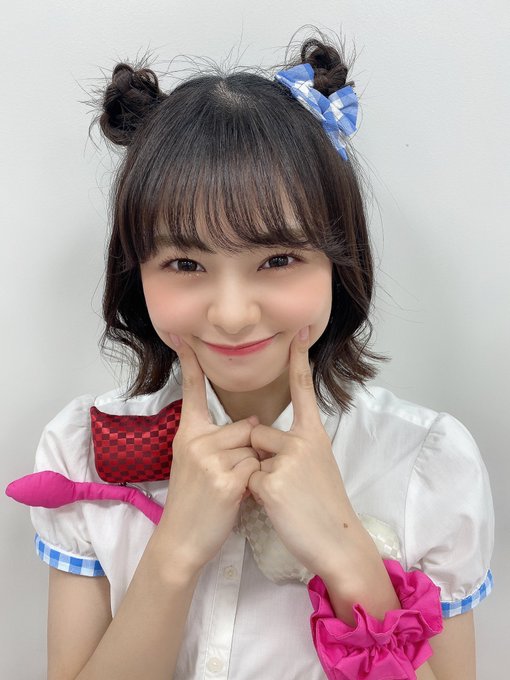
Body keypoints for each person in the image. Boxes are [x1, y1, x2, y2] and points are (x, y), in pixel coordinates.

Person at [6, 31, 494, 679]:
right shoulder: (83, 450)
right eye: (186, 263)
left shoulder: (428, 464)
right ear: (136, 273)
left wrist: (345, 554)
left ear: (338, 260)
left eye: (278, 259)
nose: (233, 314)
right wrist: (176, 551)